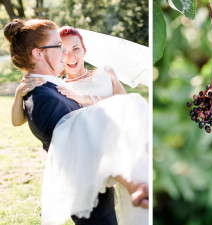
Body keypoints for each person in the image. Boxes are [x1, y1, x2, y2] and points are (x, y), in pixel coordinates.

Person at [5, 18, 149, 225]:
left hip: (97, 193)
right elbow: (82, 144)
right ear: (38, 53)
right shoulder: (43, 97)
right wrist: (132, 183)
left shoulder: (52, 90)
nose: (65, 53)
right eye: (58, 46)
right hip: (89, 199)